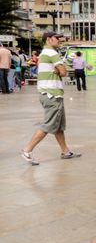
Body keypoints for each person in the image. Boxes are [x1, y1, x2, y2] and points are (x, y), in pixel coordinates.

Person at [21, 32, 81, 165]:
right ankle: (27, 150)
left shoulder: (43, 54)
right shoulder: (52, 53)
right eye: (57, 38)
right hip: (52, 94)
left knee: (58, 126)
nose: (59, 40)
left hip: (47, 93)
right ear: (49, 39)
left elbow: (57, 70)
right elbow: (64, 72)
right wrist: (60, 70)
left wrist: (58, 70)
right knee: (49, 125)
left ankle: (65, 152)